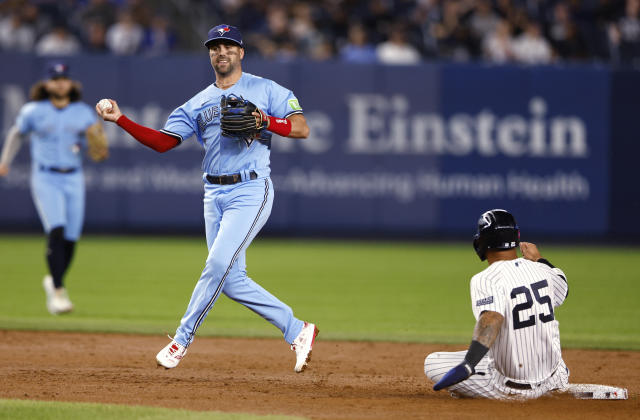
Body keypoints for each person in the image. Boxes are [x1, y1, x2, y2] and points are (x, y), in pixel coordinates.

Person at [95, 24, 319, 373]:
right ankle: (297, 329)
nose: (222, 52)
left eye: (229, 46)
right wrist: (120, 119)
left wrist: (266, 120)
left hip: (251, 189)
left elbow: (302, 128)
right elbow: (163, 142)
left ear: (241, 52)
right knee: (230, 280)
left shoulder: (267, 89)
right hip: (213, 194)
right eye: (216, 47)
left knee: (216, 265)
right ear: (210, 54)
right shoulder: (197, 103)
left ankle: (181, 340)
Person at [424, 209, 570, 399]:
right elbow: (563, 287)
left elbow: (492, 318)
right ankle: (553, 381)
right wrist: (539, 259)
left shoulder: (486, 279)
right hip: (554, 378)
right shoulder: (541, 270)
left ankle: (485, 391)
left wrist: (469, 363)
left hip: (511, 389)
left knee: (432, 362)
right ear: (516, 238)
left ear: (482, 241)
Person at [0, 62, 109, 315]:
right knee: (57, 229)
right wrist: (5, 161)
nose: (60, 82)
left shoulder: (82, 112)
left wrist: (99, 148)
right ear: (46, 84)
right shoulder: (33, 111)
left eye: (64, 78)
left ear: (70, 83)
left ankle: (53, 279)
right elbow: (16, 134)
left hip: (73, 177)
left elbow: (96, 148)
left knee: (71, 239)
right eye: (55, 78)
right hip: (45, 176)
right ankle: (58, 291)